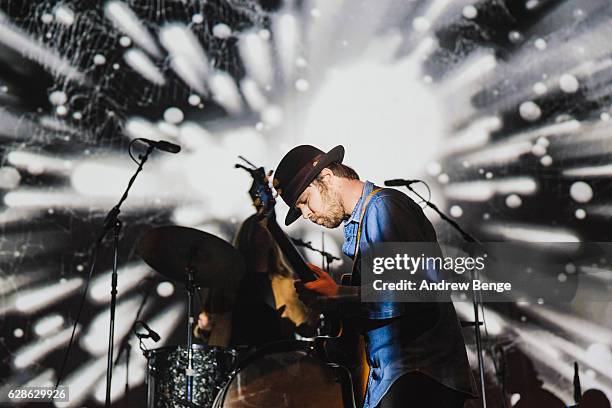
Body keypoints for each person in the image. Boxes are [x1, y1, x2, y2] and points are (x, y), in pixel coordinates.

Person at [273, 144, 478, 408]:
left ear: (326, 177)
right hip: (397, 378)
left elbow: (416, 292)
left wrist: (337, 294)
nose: (307, 214)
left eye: (304, 201)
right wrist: (333, 297)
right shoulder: (363, 222)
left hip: (418, 375)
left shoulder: (383, 208)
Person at [194, 214, 317, 347]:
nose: (265, 233)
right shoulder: (225, 281)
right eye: (259, 229)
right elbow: (206, 330)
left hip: (278, 358)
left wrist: (318, 306)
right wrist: (204, 327)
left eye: (267, 229)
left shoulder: (286, 282)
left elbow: (305, 329)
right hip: (236, 359)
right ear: (247, 235)